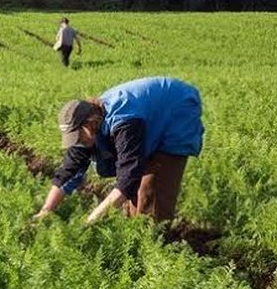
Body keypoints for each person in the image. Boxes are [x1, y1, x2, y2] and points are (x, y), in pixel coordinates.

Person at [33, 76, 204, 224]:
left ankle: (152, 242)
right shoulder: (90, 126)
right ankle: (135, 234)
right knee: (135, 198)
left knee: (151, 193)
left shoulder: (124, 123)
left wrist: (91, 221)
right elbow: (68, 172)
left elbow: (127, 179)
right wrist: (45, 211)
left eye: (78, 137)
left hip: (177, 111)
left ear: (90, 124)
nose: (77, 142)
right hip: (149, 117)